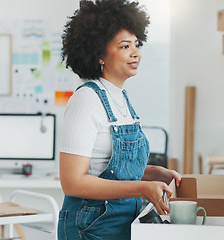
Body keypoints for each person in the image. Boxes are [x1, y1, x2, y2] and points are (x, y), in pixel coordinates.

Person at [58, 0, 182, 239]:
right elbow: (72, 182)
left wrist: (153, 173)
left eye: (137, 44)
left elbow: (108, 170)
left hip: (124, 223)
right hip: (92, 227)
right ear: (99, 54)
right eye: (125, 46)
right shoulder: (86, 100)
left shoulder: (120, 97)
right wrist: (142, 188)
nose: (136, 52)